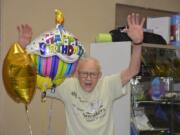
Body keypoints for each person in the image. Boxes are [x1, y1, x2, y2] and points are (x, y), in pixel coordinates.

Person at [17, 13, 145, 135]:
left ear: (99, 76)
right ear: (76, 74)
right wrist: (23, 49)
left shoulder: (108, 85)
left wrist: (138, 43)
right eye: (84, 74)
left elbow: (132, 71)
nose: (88, 78)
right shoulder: (66, 86)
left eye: (93, 74)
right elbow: (30, 78)